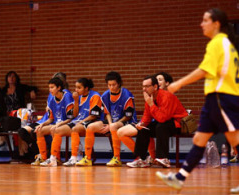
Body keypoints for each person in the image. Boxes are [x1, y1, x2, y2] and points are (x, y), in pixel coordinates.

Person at [156, 8, 239, 193]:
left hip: (222, 98)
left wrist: (178, 84)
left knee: (236, 140)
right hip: (215, 99)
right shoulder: (227, 44)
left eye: (205, 20)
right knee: (200, 140)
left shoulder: (218, 42)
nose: (201, 24)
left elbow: (204, 70)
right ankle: (179, 178)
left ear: (216, 24)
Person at [76, 71, 137, 166]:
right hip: (110, 121)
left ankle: (117, 158)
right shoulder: (105, 95)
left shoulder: (126, 94)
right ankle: (87, 158)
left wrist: (112, 125)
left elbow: (128, 116)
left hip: (126, 121)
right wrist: (109, 123)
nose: (111, 87)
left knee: (113, 127)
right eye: (109, 85)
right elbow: (107, 113)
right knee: (90, 127)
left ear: (119, 83)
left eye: (114, 85)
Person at [125, 75, 188, 168]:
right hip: (164, 123)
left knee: (161, 126)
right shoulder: (149, 98)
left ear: (155, 87)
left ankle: (164, 158)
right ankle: (142, 159)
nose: (144, 89)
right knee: (144, 129)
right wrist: (141, 123)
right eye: (143, 86)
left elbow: (163, 118)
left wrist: (151, 104)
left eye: (147, 86)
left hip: (178, 124)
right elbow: (147, 116)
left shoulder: (166, 96)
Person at [41, 78, 102, 167]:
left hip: (91, 121)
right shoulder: (78, 97)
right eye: (76, 87)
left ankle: (74, 158)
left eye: (79, 88)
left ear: (86, 88)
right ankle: (53, 159)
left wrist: (80, 122)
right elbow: (75, 114)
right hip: (78, 121)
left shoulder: (95, 96)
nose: (76, 90)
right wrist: (76, 101)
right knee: (56, 130)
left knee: (75, 128)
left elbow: (93, 116)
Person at [17, 72, 71, 165]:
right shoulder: (51, 96)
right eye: (49, 87)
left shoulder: (67, 95)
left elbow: (70, 116)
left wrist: (57, 123)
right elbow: (49, 114)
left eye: (52, 87)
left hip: (60, 122)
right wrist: (42, 123)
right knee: (24, 131)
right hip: (47, 120)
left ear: (60, 85)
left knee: (50, 130)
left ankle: (53, 156)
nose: (50, 89)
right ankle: (40, 154)